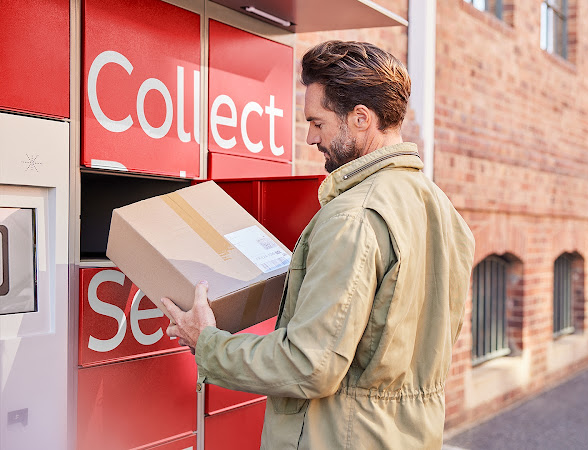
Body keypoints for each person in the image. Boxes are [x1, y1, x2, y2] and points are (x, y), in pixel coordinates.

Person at [162, 40, 475, 449]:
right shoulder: (443, 210)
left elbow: (311, 364)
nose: (310, 138)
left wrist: (207, 342)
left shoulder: (353, 217)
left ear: (360, 118)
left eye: (317, 122)